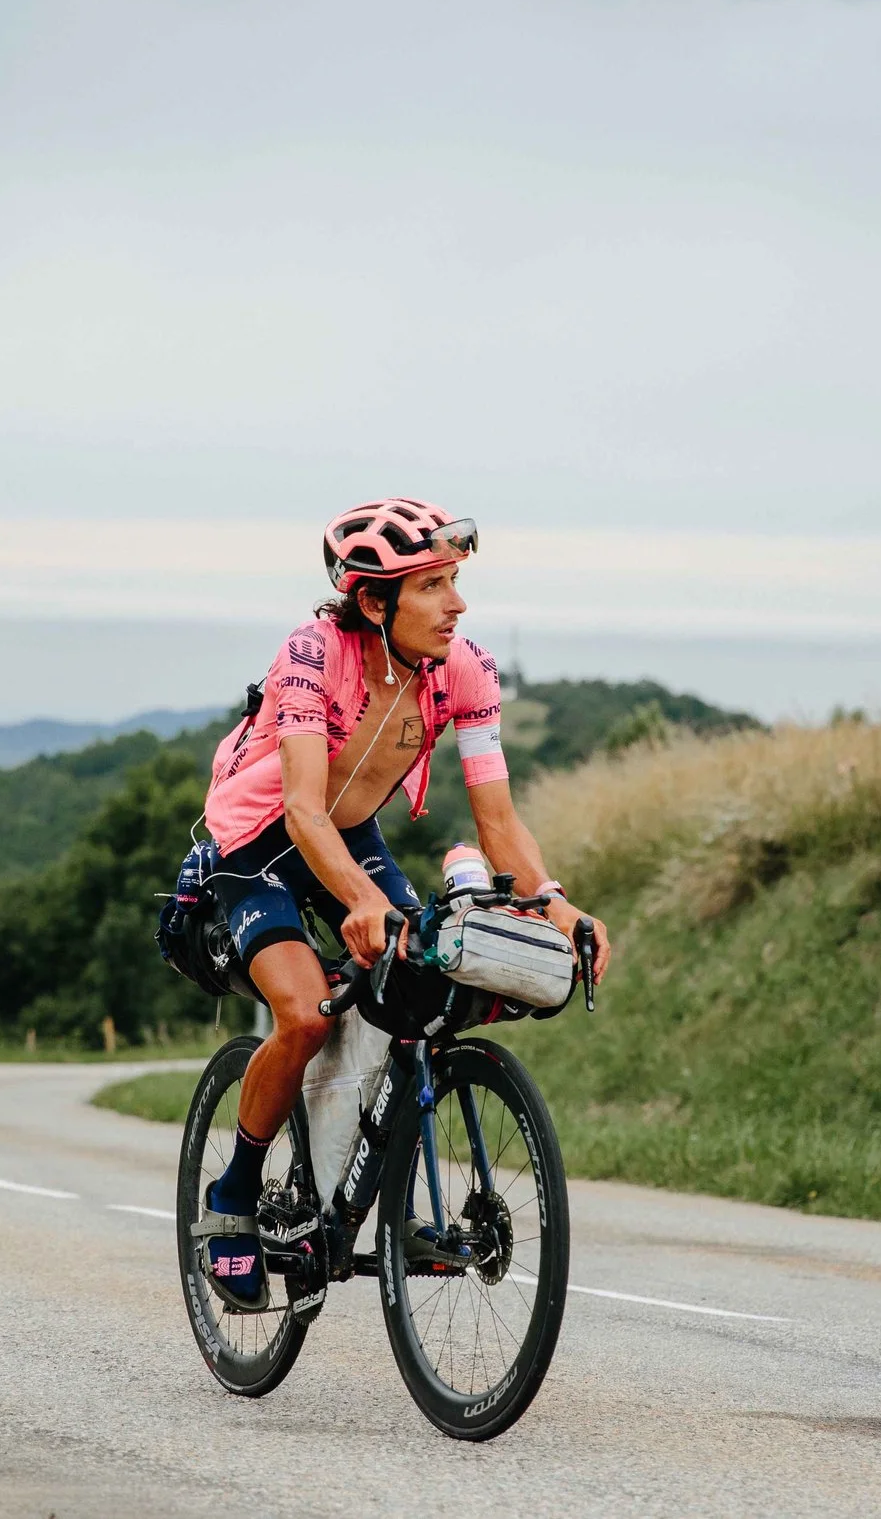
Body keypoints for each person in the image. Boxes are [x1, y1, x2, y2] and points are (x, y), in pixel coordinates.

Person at [193, 498, 612, 1310]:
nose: (458, 603)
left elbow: (497, 821)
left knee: (422, 981)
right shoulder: (313, 654)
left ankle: (381, 1204)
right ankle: (233, 1196)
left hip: (350, 834)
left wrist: (557, 906)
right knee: (308, 1013)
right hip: (257, 843)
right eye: (434, 586)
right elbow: (304, 810)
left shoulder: (466, 669)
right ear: (375, 601)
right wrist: (358, 900)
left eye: (455, 581)